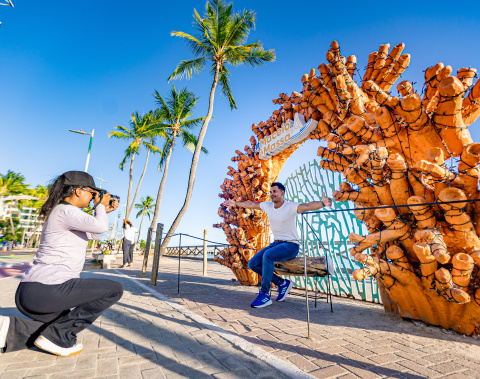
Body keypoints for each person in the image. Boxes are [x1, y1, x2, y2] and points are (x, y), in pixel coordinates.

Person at [0, 171, 122, 357]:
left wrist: (103, 211)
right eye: (92, 192)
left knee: (55, 325)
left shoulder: (65, 213)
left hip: (35, 293)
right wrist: (99, 207)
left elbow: (94, 232)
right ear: (78, 191)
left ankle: (7, 330)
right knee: (114, 289)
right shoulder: (66, 211)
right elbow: (100, 227)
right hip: (46, 289)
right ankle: (60, 337)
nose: (93, 197)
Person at [225, 182, 332, 308]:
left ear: (282, 193)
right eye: (270, 192)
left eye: (275, 191)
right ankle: (282, 283)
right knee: (252, 263)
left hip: (291, 245)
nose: (272, 194)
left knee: (268, 255)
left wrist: (322, 203)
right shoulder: (268, 206)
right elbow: (251, 204)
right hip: (276, 244)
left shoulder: (291, 206)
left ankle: (264, 294)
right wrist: (235, 203)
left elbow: (307, 206)